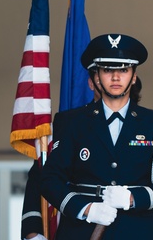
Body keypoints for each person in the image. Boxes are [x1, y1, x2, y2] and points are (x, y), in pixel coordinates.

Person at [40, 33, 153, 239]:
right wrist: (86, 208)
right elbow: (49, 179)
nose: (116, 77)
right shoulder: (72, 122)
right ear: (97, 76)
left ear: (133, 77)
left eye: (123, 70)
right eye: (108, 70)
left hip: (140, 231)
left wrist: (133, 198)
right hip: (83, 230)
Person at [21, 75, 145, 240]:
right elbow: (43, 176)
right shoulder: (72, 124)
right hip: (77, 229)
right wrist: (33, 232)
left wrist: (132, 199)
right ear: (92, 83)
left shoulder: (146, 128)